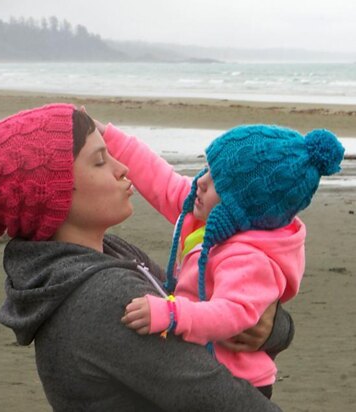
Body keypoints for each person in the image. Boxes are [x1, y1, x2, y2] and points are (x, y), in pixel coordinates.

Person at [0, 103, 294, 411]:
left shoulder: (109, 256)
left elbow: (200, 304)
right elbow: (220, 396)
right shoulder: (103, 295)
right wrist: (273, 328)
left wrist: (272, 327)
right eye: (100, 160)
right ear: (55, 192)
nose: (122, 169)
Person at [93, 120, 344, 398]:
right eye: (207, 170)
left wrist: (173, 314)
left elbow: (231, 316)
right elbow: (161, 181)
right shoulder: (216, 218)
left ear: (240, 206)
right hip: (204, 365)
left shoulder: (249, 258)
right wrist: (109, 136)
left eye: (216, 183)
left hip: (237, 383)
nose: (199, 182)